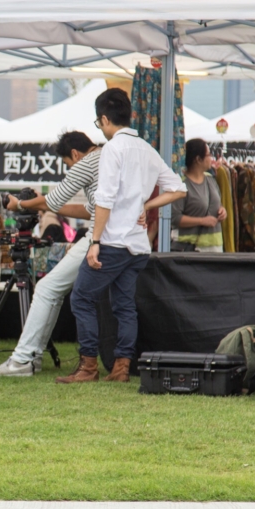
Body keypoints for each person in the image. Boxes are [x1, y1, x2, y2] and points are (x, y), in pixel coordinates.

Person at [59, 88, 187, 384]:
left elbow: (104, 199)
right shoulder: (146, 149)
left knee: (81, 298)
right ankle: (121, 368)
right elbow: (179, 189)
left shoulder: (112, 149)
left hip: (113, 241)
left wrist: (94, 242)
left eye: (98, 122)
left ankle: (88, 366)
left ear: (105, 119)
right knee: (124, 306)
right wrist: (147, 205)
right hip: (138, 246)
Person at [0, 131, 101, 377]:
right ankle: (32, 358)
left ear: (75, 154)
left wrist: (21, 204)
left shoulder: (88, 162)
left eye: (68, 164)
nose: (71, 169)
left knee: (48, 288)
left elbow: (54, 200)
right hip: (120, 238)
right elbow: (90, 210)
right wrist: (39, 203)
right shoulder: (107, 158)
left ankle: (22, 360)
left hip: (100, 237)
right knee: (54, 291)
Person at [170, 138, 226, 252]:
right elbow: (175, 218)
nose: (211, 158)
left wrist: (222, 211)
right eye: (209, 155)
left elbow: (217, 204)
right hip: (189, 249)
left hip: (214, 247)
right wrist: (202, 221)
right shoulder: (181, 185)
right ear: (198, 159)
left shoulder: (211, 179)